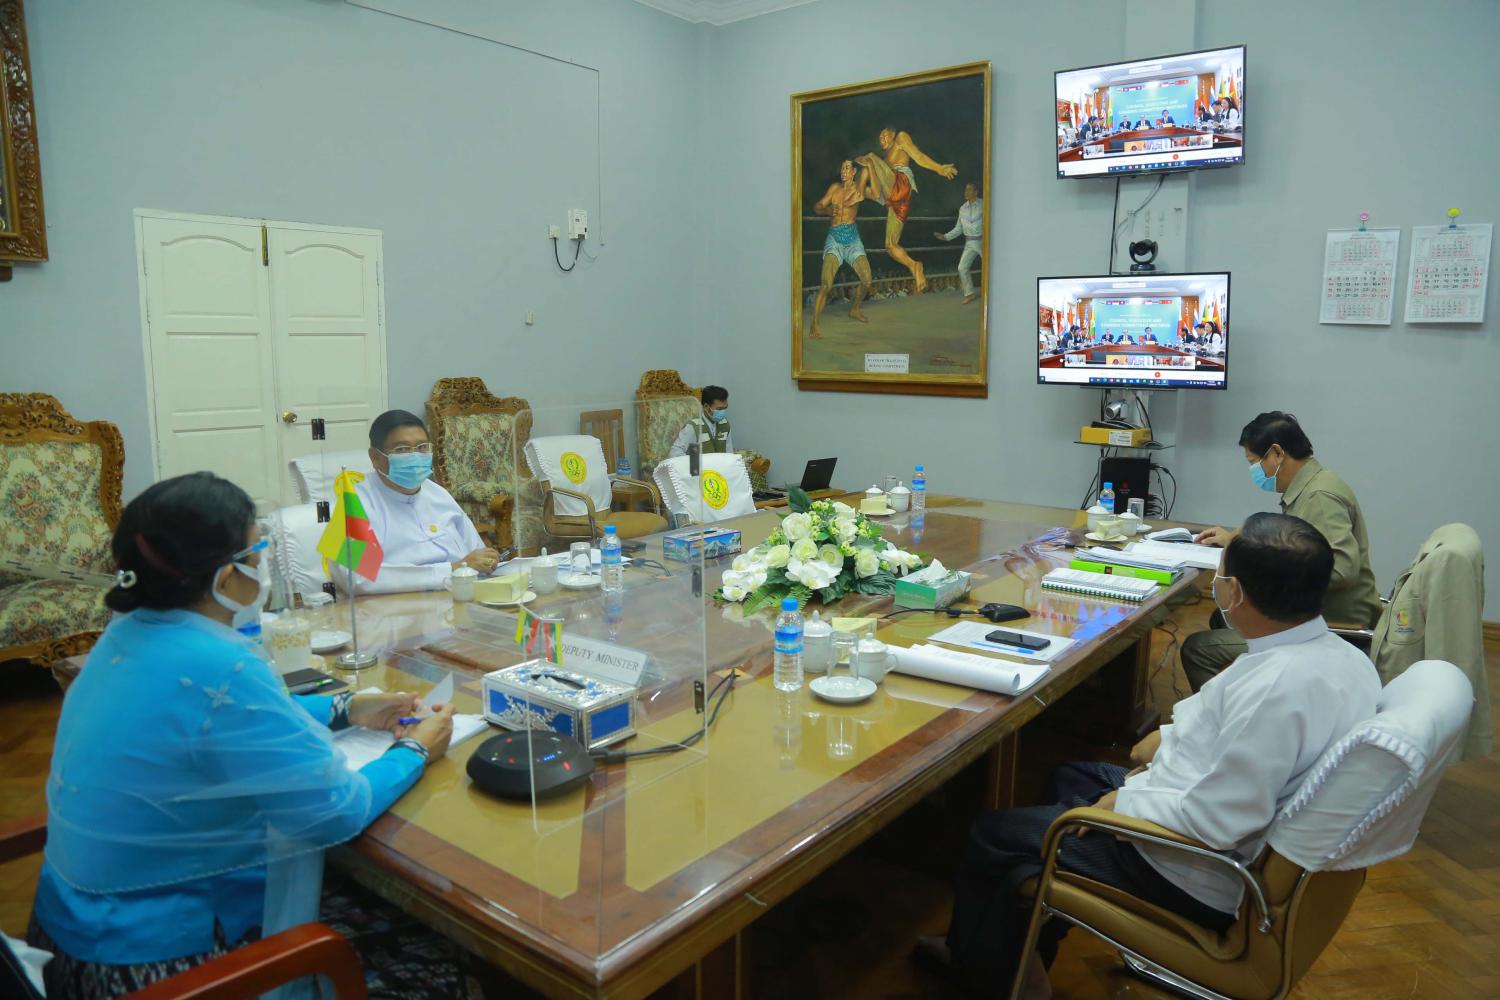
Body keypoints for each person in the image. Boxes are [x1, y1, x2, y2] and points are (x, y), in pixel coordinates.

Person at [25, 472, 472, 998]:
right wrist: (415, 749)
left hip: (70, 939)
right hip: (166, 968)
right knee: (446, 963)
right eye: (256, 550)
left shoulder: (129, 632)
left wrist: (348, 707)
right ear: (223, 576)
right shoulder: (223, 663)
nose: (262, 563)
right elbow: (336, 811)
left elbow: (224, 718)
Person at [920, 513, 1381, 997]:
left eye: (1221, 578)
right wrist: (1163, 748)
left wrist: (1124, 804)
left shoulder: (1276, 689)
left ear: (1235, 594)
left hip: (1193, 867)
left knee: (994, 836)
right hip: (1202, 814)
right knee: (1072, 778)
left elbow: (1220, 821)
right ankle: (1023, 942)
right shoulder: (1343, 658)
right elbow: (1221, 736)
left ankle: (991, 976)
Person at [1181, 412, 1382, 691]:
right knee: (1223, 616)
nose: (1254, 470)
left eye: (1253, 462)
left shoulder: (1319, 496)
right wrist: (1236, 542)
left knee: (1198, 649)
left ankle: (1232, 712)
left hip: (1334, 624)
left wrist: (1266, 573)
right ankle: (1256, 690)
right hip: (1310, 613)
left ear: (1277, 453)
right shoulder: (1312, 486)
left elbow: (1341, 569)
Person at [333, 409, 497, 595]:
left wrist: (487, 561)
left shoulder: (438, 493)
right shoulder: (355, 502)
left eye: (422, 447)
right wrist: (452, 569)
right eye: (401, 450)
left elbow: (476, 553)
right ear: (375, 457)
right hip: (397, 605)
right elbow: (357, 578)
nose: (414, 456)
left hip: (462, 595)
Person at [856, 126, 958, 294]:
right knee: (890, 245)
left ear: (892, 134)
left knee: (870, 159)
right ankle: (915, 266)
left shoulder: (900, 139)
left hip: (900, 185)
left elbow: (918, 156)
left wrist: (939, 168)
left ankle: (860, 193)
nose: (882, 140)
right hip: (895, 201)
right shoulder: (885, 160)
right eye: (880, 138)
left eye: (884, 135)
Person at [808, 159, 875, 338]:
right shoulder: (834, 188)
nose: (843, 171)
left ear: (854, 172)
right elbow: (817, 206)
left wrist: (871, 167)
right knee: (826, 284)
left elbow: (876, 193)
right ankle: (815, 324)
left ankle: (855, 309)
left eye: (847, 168)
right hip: (835, 239)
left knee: (867, 280)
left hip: (853, 239)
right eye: (842, 168)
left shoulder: (859, 190)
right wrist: (827, 211)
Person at [934, 182, 984, 304]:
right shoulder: (962, 209)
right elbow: (959, 228)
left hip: (984, 241)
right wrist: (945, 237)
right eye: (966, 189)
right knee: (962, 268)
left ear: (976, 192)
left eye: (970, 190)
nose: (966, 192)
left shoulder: (984, 204)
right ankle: (969, 293)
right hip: (970, 243)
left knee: (990, 267)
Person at [670, 385, 733, 459]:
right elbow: (675, 452)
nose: (723, 412)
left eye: (725, 408)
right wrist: (691, 462)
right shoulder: (693, 427)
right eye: (719, 409)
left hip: (720, 465)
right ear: (706, 407)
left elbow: (729, 453)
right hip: (699, 465)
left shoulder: (725, 425)